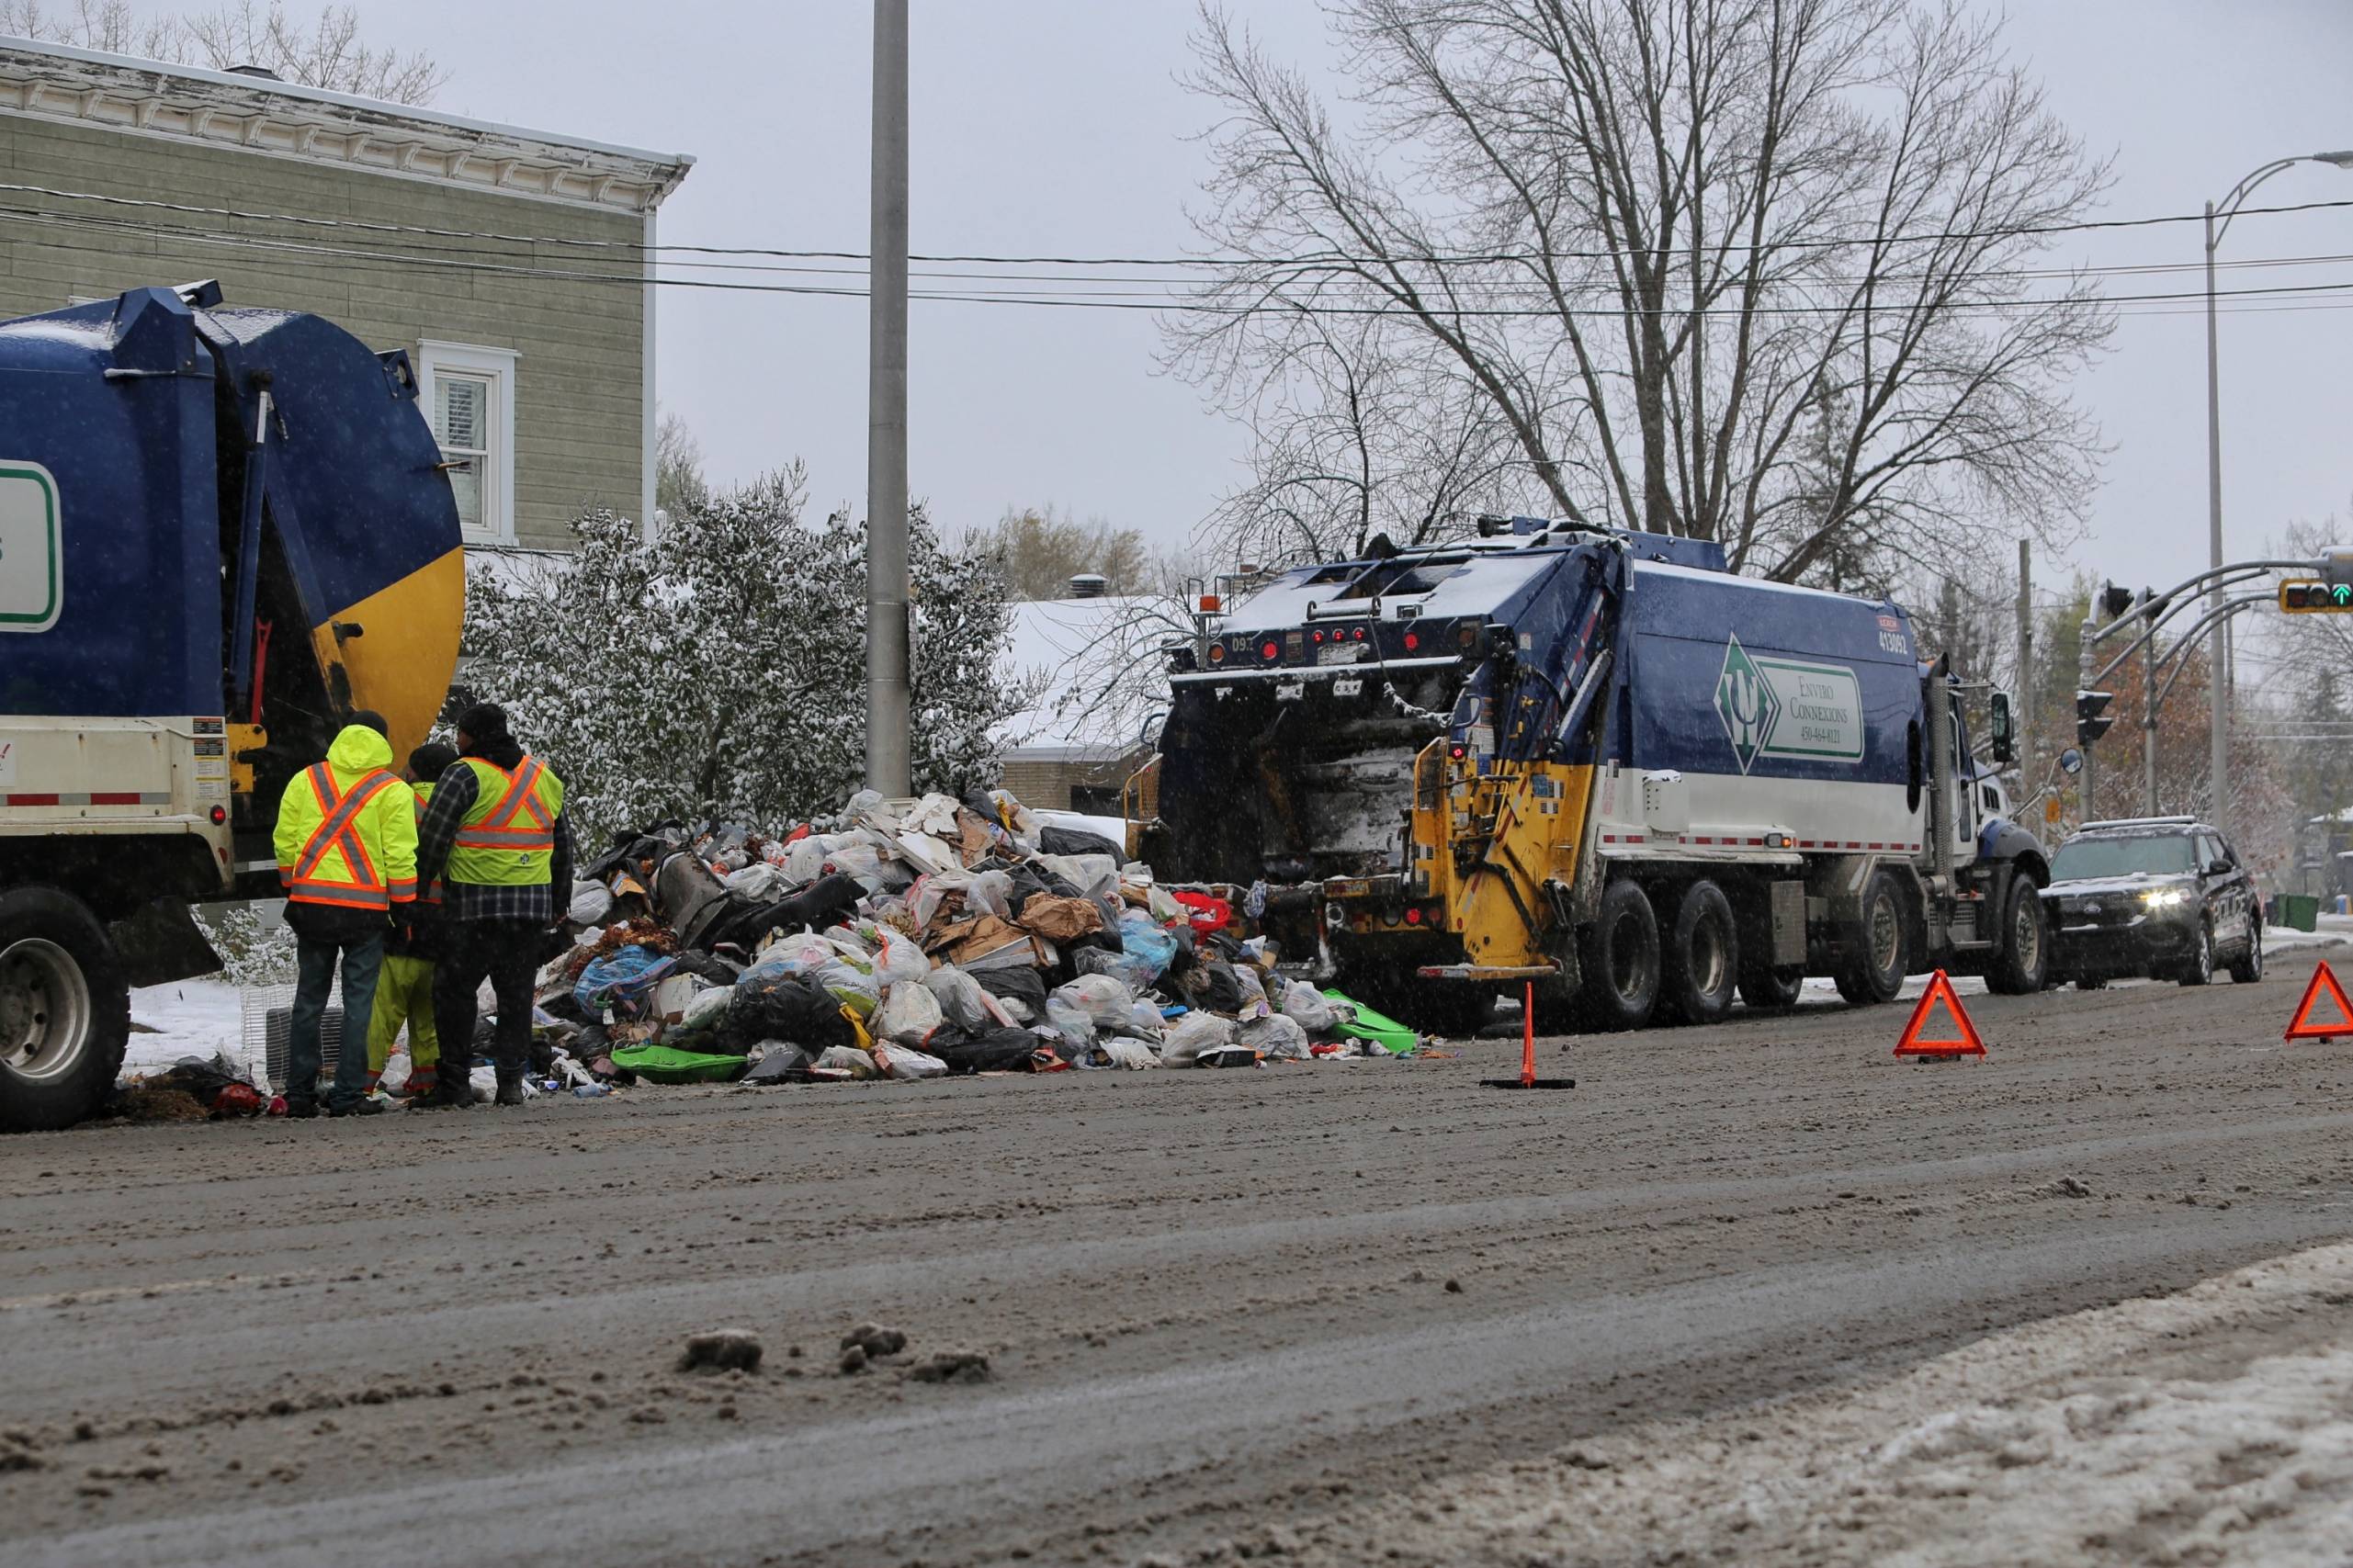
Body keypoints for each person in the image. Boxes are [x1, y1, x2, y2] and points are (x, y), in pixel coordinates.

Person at [413, 702, 571, 1109]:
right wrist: (559, 901)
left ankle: (456, 1084)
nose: (456, 741)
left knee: (455, 994)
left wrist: (414, 896)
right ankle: (511, 1085)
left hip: (472, 908)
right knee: (516, 999)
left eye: (459, 734)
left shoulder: (462, 774)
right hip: (529, 910)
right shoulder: (543, 776)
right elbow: (562, 847)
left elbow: (434, 838)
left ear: (469, 736)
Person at [273, 710, 416, 1118]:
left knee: (308, 1002)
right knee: (360, 1005)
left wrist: (294, 885)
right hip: (365, 915)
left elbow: (284, 840)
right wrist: (404, 907)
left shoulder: (308, 780)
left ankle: (300, 1095)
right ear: (383, 741)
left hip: (313, 909)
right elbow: (400, 854)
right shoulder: (392, 790)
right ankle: (347, 1095)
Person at [366, 741, 458, 1103]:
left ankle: (361, 1083)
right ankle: (429, 1081)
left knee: (384, 1010)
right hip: (446, 920)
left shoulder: (398, 800)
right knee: (430, 1011)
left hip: (402, 916)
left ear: (413, 772)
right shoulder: (460, 805)